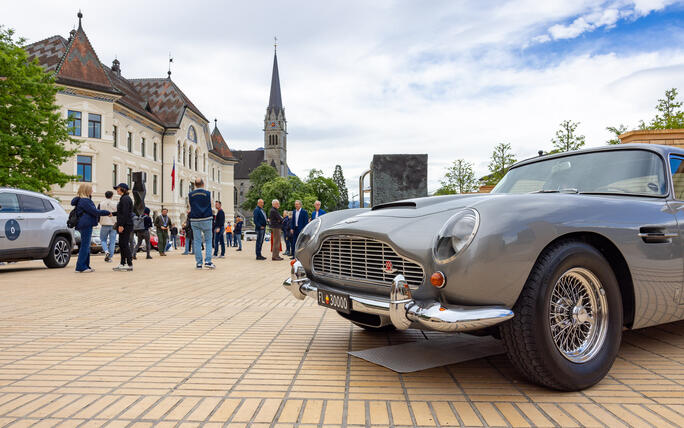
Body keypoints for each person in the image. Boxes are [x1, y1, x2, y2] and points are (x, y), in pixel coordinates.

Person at [71, 183, 111, 272]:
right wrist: (107, 212)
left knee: (86, 245)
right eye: (91, 189)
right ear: (86, 190)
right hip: (86, 224)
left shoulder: (83, 200)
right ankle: (81, 267)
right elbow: (94, 211)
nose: (92, 191)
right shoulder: (85, 201)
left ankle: (86, 266)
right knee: (85, 246)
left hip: (84, 224)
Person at [188, 178, 215, 269]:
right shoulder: (208, 194)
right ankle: (208, 261)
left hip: (195, 219)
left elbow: (189, 207)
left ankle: (199, 263)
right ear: (203, 184)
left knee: (197, 241)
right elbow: (212, 205)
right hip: (206, 219)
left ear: (195, 185)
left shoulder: (190, 195)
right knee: (208, 241)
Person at [113, 183, 134, 271]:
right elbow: (121, 212)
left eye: (118, 188)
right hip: (125, 224)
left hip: (125, 225)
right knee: (122, 244)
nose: (117, 190)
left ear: (123, 189)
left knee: (124, 244)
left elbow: (125, 213)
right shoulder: (124, 198)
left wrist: (121, 225)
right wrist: (112, 214)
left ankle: (129, 264)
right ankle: (122, 263)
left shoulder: (125, 199)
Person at [99, 191, 117, 263]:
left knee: (103, 240)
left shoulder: (101, 203)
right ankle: (110, 257)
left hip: (104, 223)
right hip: (113, 224)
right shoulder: (116, 203)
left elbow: (98, 213)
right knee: (112, 241)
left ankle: (106, 251)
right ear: (112, 196)